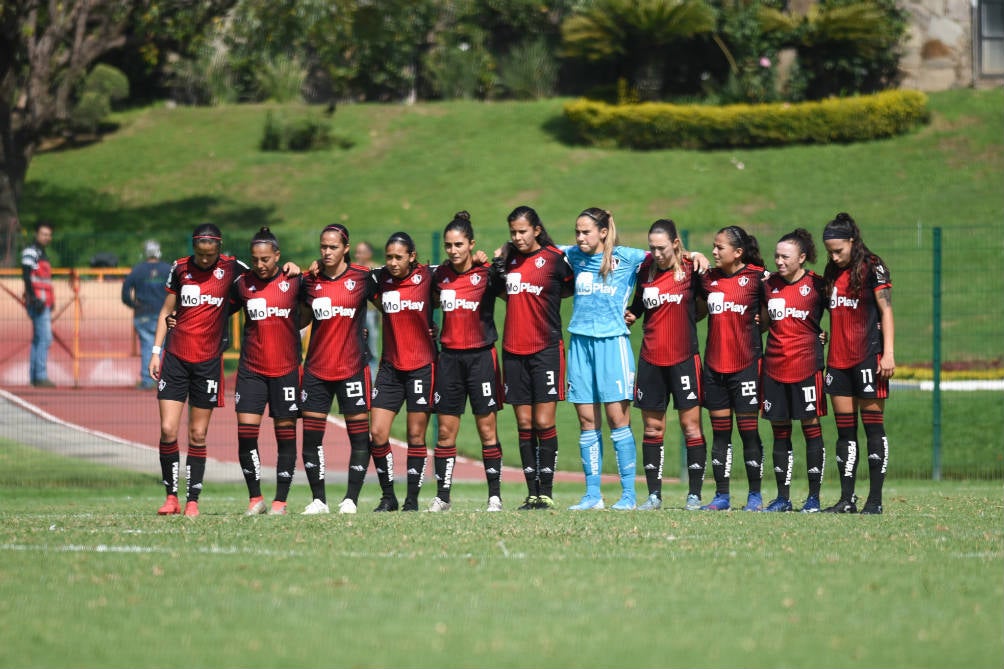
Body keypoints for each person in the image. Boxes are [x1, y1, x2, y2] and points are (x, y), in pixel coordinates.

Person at [562, 208, 687, 510]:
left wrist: (696, 255)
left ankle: (628, 495)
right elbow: (541, 250)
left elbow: (664, 255)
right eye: (577, 232)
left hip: (612, 344)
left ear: (603, 232)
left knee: (618, 420)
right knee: (586, 421)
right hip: (579, 343)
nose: (579, 237)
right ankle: (592, 495)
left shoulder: (629, 258)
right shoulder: (573, 256)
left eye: (586, 232)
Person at [149, 223, 248, 517]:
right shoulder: (180, 269)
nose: (205, 260)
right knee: (168, 429)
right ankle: (171, 497)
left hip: (207, 363)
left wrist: (293, 269)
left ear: (219, 248)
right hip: (176, 358)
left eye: (210, 254)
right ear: (194, 248)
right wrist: (156, 352)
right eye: (200, 254)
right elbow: (166, 311)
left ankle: (193, 499)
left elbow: (265, 273)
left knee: (198, 434)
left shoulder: (232, 268)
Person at [493, 206, 574, 511]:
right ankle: (532, 493)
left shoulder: (553, 258)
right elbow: (504, 293)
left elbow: (568, 287)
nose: (517, 237)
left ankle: (547, 490)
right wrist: (497, 266)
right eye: (513, 231)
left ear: (536, 230)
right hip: (513, 350)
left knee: (543, 421)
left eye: (522, 231)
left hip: (546, 350)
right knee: (524, 423)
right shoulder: (508, 259)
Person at [626, 219, 708, 511]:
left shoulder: (692, 270)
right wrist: (632, 314)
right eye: (652, 247)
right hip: (651, 359)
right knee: (652, 429)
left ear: (675, 244)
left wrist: (696, 254)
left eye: (662, 247)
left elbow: (706, 304)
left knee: (691, 427)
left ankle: (694, 495)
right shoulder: (644, 271)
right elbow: (638, 304)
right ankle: (654, 496)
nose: (656, 253)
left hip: (684, 358)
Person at [299, 223, 377, 515]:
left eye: (333, 247)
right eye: (323, 247)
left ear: (346, 248)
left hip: (352, 368)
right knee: (311, 438)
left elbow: (394, 307)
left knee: (358, 437)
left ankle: (350, 500)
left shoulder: (362, 278)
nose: (327, 252)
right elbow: (300, 320)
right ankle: (319, 500)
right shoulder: (310, 280)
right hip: (317, 370)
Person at [429, 211, 504, 512]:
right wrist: (430, 327)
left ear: (471, 244)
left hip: (481, 358)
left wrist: (493, 264)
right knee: (446, 432)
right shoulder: (440, 276)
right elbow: (428, 302)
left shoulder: (486, 273)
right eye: (448, 245)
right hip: (449, 359)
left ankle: (495, 496)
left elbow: (513, 292)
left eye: (459, 244)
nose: (453, 250)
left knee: (487, 429)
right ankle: (443, 497)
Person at [821, 212, 894, 515]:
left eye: (839, 250)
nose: (834, 256)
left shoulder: (873, 266)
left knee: (873, 430)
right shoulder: (831, 271)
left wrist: (888, 353)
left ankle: (874, 500)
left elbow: (886, 311)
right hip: (838, 361)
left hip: (868, 357)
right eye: (830, 252)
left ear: (852, 242)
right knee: (845, 433)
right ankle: (846, 499)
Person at [231, 227, 306, 516]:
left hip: (286, 369)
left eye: (266, 259)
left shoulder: (294, 281)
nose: (260, 265)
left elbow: (320, 302)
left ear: (278, 256)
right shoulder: (241, 284)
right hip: (252, 369)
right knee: (246, 433)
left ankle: (280, 502)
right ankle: (255, 499)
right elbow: (217, 311)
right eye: (255, 259)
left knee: (285, 434)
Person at [698, 225, 768, 512]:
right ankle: (721, 496)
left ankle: (755, 495)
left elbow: (772, 312)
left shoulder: (757, 278)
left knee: (748, 431)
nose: (714, 252)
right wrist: (693, 254)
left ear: (738, 253)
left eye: (720, 247)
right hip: (715, 367)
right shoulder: (708, 278)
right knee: (720, 433)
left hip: (746, 366)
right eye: (713, 247)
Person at [367, 232, 438, 512]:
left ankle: (411, 500)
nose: (393, 263)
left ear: (412, 256)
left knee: (415, 435)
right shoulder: (379, 279)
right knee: (378, 432)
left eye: (399, 257)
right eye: (389, 257)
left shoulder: (429, 276)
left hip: (422, 367)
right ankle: (388, 497)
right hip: (390, 368)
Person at [761, 229, 828, 513]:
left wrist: (825, 335)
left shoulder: (817, 285)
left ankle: (813, 498)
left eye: (785, 256)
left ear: (801, 258)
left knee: (811, 428)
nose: (779, 261)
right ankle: (782, 498)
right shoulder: (768, 285)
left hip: (806, 367)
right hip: (774, 367)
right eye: (776, 256)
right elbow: (764, 322)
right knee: (780, 431)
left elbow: (843, 311)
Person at [122, 240, 172, 389]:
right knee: (163, 347)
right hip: (164, 313)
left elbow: (125, 293)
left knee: (147, 346)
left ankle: (147, 379)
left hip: (143, 313)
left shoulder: (138, 270)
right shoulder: (168, 269)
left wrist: (134, 305)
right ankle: (163, 379)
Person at [21, 220, 55, 387]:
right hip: (38, 302)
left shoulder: (43, 253)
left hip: (44, 301)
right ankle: (40, 375)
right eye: (43, 234)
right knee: (46, 338)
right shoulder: (31, 251)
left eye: (48, 235)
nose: (46, 237)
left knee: (38, 339)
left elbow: (45, 280)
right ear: (36, 234)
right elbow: (26, 275)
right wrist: (33, 298)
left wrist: (51, 300)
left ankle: (35, 376)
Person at [355, 240, 381, 374]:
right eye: (357, 252)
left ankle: (372, 376)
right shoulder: (353, 270)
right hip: (356, 314)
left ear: (369, 254)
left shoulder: (376, 269)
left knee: (372, 346)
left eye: (361, 252)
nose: (358, 255)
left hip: (371, 313)